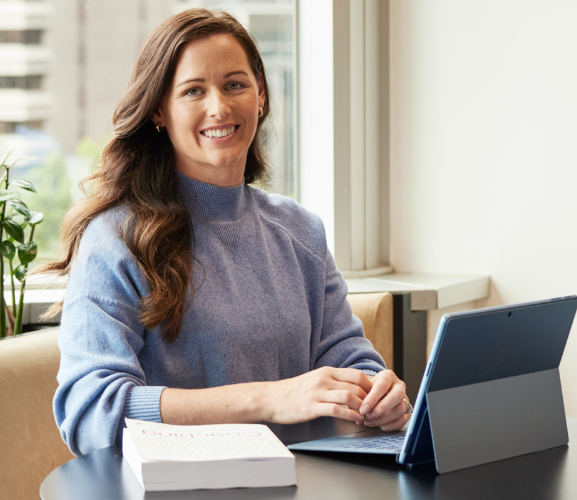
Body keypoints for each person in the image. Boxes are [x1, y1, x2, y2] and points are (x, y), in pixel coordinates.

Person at [41, 9, 409, 457]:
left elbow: (349, 358)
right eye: (194, 91)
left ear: (260, 95)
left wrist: (377, 394)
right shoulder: (113, 241)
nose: (219, 106)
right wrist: (270, 399)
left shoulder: (301, 231)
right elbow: (91, 413)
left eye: (235, 84)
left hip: (303, 482)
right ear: (159, 109)